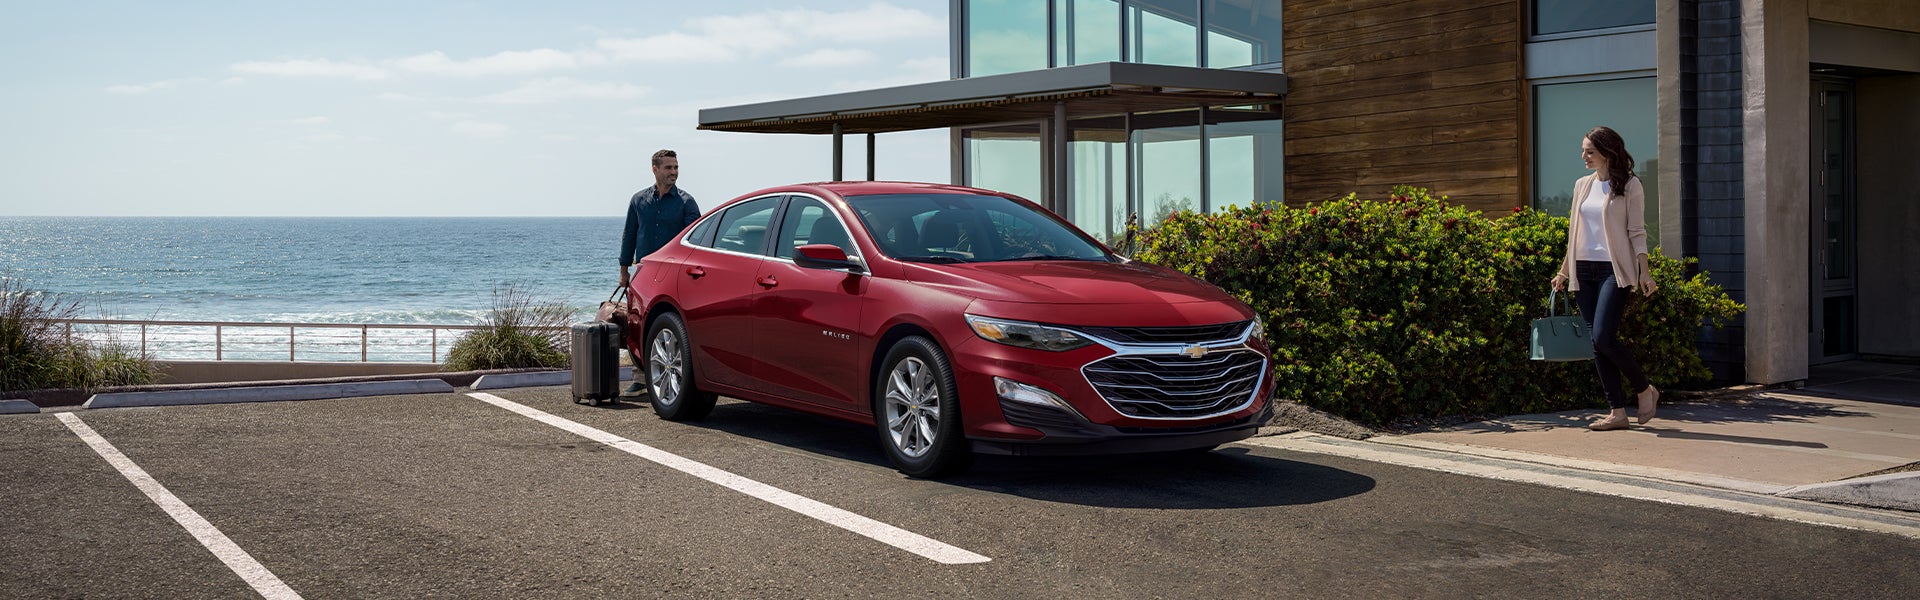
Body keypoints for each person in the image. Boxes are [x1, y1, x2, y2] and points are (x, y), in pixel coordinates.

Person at [1551, 126, 1659, 431]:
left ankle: (1644, 389)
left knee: (1603, 336)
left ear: (1607, 152)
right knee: (1597, 343)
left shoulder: (1630, 185)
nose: (1583, 156)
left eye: (1590, 151)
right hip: (1583, 269)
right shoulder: (1581, 185)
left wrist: (1644, 272)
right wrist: (1564, 271)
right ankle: (1617, 412)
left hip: (1614, 270)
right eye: (1584, 150)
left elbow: (1636, 232)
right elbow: (1575, 233)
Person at [619, 149, 700, 395]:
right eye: (668, 168)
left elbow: (696, 242)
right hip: (643, 274)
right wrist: (624, 271)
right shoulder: (638, 200)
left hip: (673, 275)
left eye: (676, 168)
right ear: (655, 169)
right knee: (637, 326)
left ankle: (674, 375)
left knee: (667, 325)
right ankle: (641, 378)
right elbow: (629, 235)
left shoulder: (687, 202)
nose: (673, 172)